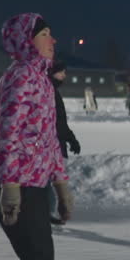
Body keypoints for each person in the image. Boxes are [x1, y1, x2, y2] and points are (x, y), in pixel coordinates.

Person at [0, 13, 76, 260]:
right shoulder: (21, 78)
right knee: (36, 256)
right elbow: (6, 135)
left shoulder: (42, 80)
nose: (52, 41)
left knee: (41, 255)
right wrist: (10, 186)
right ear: (26, 40)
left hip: (35, 183)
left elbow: (50, 141)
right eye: (45, 35)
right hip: (17, 184)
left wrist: (61, 186)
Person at [47, 61, 81, 226]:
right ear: (53, 73)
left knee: (52, 179)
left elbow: (60, 121)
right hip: (50, 143)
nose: (64, 76)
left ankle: (50, 212)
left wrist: (71, 139)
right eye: (62, 72)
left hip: (55, 141)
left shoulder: (52, 91)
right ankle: (47, 213)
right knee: (50, 179)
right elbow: (57, 122)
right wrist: (70, 139)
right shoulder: (49, 91)